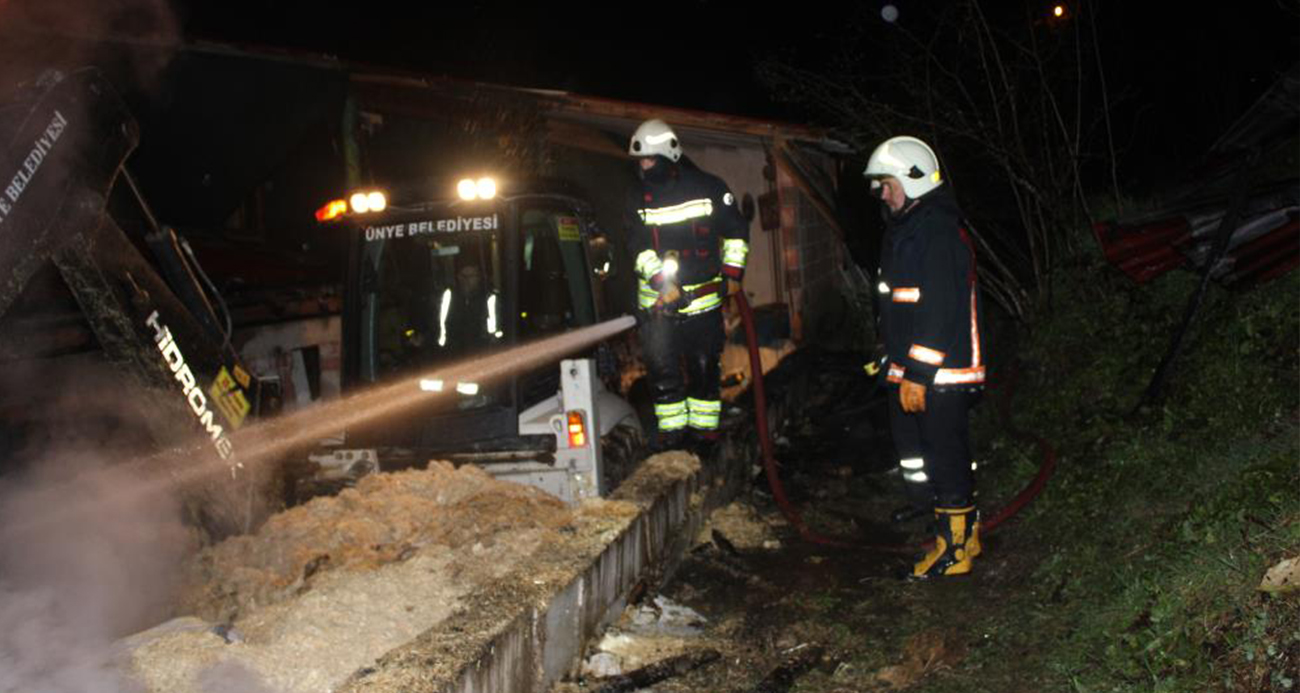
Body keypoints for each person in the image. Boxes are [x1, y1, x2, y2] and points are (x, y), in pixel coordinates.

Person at [864, 135, 986, 579]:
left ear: (912, 181)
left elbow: (937, 308)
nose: (882, 193)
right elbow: (902, 304)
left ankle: (955, 550)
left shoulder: (935, 230)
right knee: (928, 451)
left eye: (887, 184)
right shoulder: (911, 228)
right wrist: (888, 356)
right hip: (920, 369)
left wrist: (918, 372)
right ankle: (957, 531)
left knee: (944, 454)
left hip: (942, 373)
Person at [626, 118, 748, 454]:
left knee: (704, 368)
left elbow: (737, 232)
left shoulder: (709, 188)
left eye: (649, 160)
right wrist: (661, 283)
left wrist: (733, 275)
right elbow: (636, 247)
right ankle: (673, 438)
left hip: (704, 303)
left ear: (668, 156)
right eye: (640, 161)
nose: (643, 167)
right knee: (662, 372)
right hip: (659, 306)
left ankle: (705, 437)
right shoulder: (637, 198)